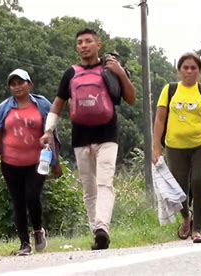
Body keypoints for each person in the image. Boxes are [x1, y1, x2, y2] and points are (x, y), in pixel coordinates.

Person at [40, 28, 136, 250]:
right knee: (88, 188)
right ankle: (97, 232)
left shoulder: (112, 68)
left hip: (108, 135)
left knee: (104, 182)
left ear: (98, 44)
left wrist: (121, 73)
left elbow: (131, 98)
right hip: (80, 137)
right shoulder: (70, 73)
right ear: (77, 48)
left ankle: (102, 227)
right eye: (80, 42)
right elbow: (58, 103)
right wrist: (48, 130)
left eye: (88, 41)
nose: (84, 45)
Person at [0, 68, 61, 256]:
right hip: (11, 163)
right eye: (13, 84)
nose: (17, 87)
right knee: (18, 201)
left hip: (37, 162)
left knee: (32, 196)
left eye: (21, 82)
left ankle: (37, 230)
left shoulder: (42, 104)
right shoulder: (4, 108)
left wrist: (56, 163)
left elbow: (52, 133)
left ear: (30, 85)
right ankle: (24, 244)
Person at [153, 52, 201, 243]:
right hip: (174, 146)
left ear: (199, 71)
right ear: (179, 71)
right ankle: (186, 216)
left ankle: (197, 230)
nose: (189, 71)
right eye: (185, 67)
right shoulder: (169, 90)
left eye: (193, 68)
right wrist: (155, 148)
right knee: (179, 188)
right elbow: (160, 120)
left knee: (198, 183)